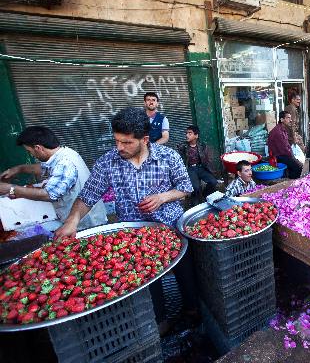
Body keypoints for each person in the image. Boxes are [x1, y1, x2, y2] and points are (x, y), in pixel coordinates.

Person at [54, 107, 195, 332]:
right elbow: (88, 195)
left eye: (127, 142)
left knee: (186, 274)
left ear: (145, 140)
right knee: (149, 281)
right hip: (134, 235)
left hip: (171, 227)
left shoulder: (169, 157)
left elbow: (185, 188)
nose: (119, 147)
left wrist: (162, 197)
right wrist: (72, 219)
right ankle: (161, 324)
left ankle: (192, 310)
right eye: (117, 141)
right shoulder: (108, 162)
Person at [0, 126, 107, 232]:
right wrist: (19, 169)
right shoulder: (62, 153)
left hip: (87, 223)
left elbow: (48, 194)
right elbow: (44, 168)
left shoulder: (64, 163)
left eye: (29, 151)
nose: (31, 154)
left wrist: (11, 188)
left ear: (38, 148)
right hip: (78, 218)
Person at [177, 125, 219, 205]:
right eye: (186, 133)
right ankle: (195, 198)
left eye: (190, 133)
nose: (187, 135)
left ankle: (205, 195)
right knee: (195, 187)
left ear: (196, 135)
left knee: (213, 182)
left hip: (200, 167)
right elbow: (181, 161)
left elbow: (207, 159)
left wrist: (211, 170)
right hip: (190, 169)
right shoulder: (183, 146)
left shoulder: (202, 145)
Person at [267, 111, 303, 179]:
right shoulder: (278, 132)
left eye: (290, 118)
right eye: (288, 118)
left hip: (282, 154)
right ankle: (292, 183)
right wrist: (295, 160)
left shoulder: (281, 129)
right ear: (282, 120)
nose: (290, 120)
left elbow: (287, 146)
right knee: (298, 167)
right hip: (278, 156)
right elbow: (285, 151)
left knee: (297, 164)